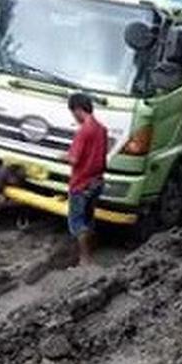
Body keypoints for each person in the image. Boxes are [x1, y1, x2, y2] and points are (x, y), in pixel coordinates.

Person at [67, 92, 108, 266]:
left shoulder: (83, 131)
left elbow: (74, 159)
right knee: (89, 218)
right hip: (97, 181)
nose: (74, 117)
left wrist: (63, 156)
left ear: (77, 109)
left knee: (77, 223)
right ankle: (91, 250)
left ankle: (84, 259)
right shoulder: (101, 129)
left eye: (72, 113)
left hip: (81, 183)